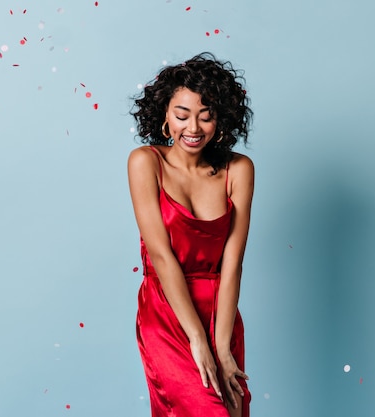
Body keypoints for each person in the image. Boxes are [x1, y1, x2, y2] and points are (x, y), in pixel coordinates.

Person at [128, 52, 254, 417]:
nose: (193, 128)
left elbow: (233, 264)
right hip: (166, 308)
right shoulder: (145, 162)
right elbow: (162, 258)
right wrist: (197, 339)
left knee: (231, 407)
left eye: (206, 116)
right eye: (182, 115)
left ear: (222, 119)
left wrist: (222, 345)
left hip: (221, 311)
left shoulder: (239, 169)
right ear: (165, 116)